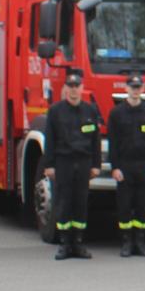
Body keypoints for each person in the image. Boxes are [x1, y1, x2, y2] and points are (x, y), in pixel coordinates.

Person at [43, 70, 102, 261]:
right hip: (64, 162)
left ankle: (78, 244)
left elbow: (95, 140)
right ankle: (64, 244)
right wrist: (49, 165)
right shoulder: (55, 111)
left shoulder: (90, 110)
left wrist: (96, 164)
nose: (74, 90)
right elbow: (49, 140)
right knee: (63, 202)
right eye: (70, 87)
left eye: (77, 86)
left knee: (81, 203)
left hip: (84, 163)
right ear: (65, 89)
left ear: (82, 88)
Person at [108, 73, 145, 258]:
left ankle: (140, 242)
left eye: (138, 87)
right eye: (132, 87)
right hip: (124, 166)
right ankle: (126, 242)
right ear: (126, 89)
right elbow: (113, 142)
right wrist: (114, 167)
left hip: (144, 165)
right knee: (124, 205)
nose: (135, 90)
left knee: (141, 205)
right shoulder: (117, 113)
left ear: (143, 89)